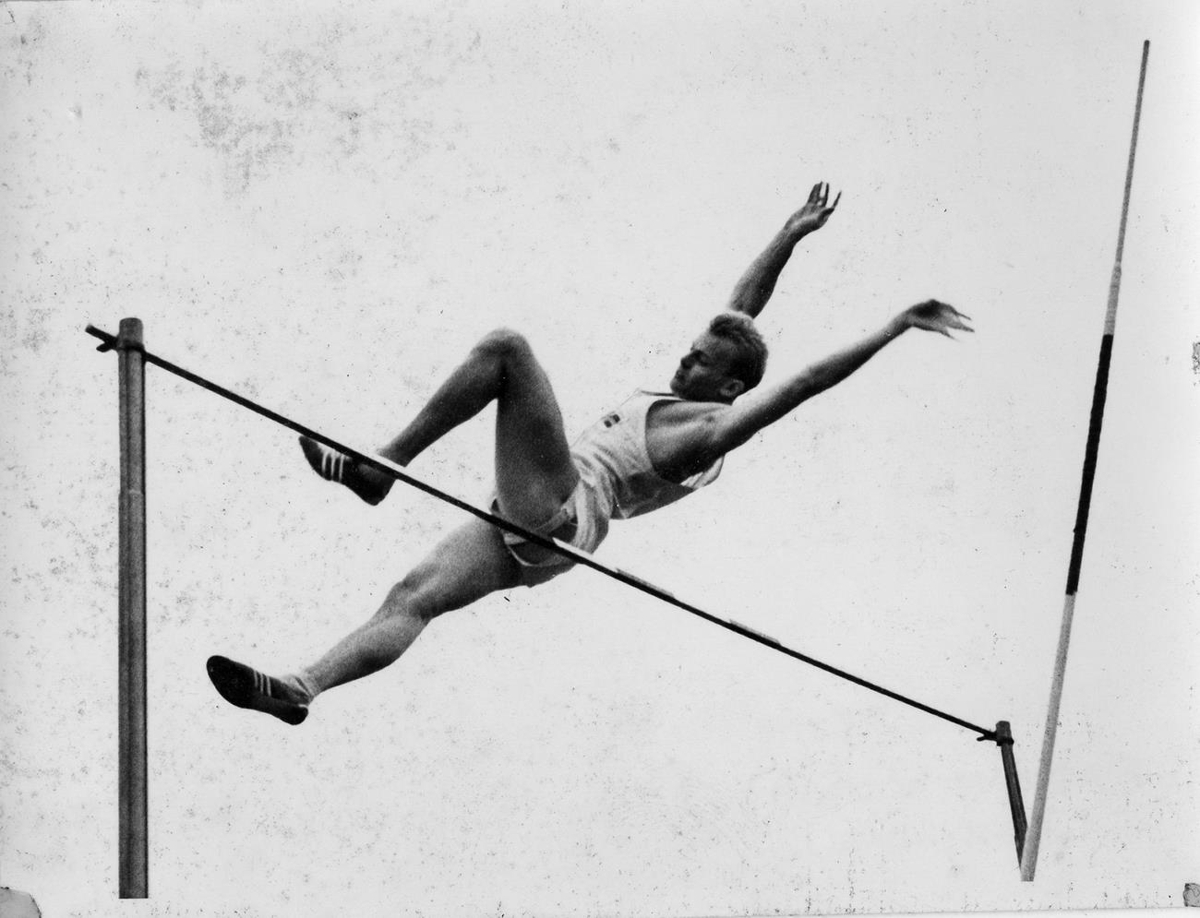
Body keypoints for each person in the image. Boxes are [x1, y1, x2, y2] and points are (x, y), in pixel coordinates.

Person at [207, 182, 972, 725]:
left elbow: (802, 384)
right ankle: (303, 687)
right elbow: (742, 305)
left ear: (731, 385)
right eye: (690, 348)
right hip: (539, 519)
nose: (684, 359)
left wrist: (893, 326)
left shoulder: (711, 432)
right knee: (412, 598)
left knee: (508, 350)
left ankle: (381, 468)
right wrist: (790, 233)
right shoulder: (701, 379)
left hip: (564, 508)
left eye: (701, 360)